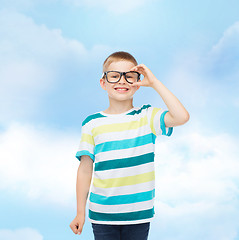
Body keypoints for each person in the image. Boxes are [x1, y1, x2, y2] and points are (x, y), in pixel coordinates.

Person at [69, 51, 189, 240]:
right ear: (103, 82)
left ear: (138, 83)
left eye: (129, 77)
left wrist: (155, 82)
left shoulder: (147, 116)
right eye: (114, 76)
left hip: (138, 214)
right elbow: (85, 169)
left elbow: (181, 117)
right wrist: (80, 212)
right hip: (102, 214)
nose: (122, 81)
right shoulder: (91, 123)